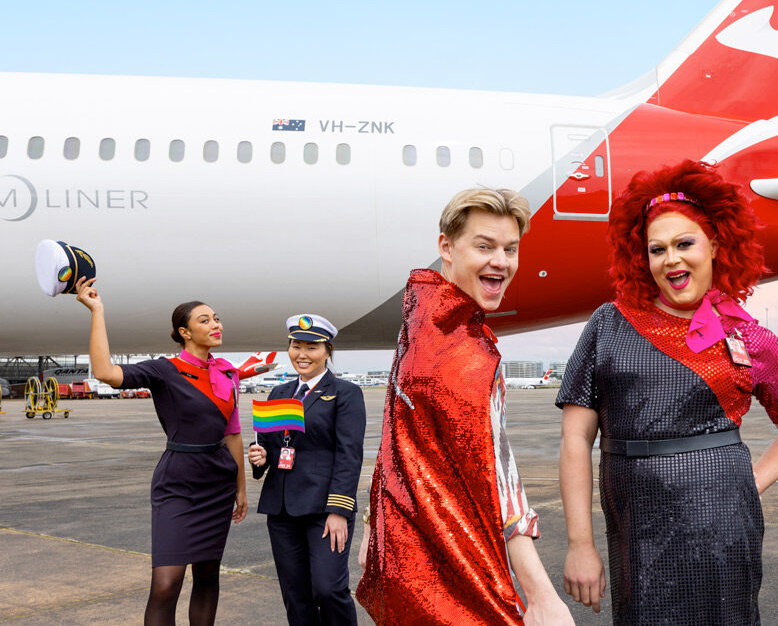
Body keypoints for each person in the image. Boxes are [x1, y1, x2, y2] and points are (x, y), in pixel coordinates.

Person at [557, 161, 778, 625]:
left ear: (715, 245)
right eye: (657, 249)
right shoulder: (609, 323)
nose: (671, 259)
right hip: (636, 529)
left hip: (724, 526)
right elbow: (576, 440)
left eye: (684, 244)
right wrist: (580, 544)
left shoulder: (750, 338)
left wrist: (749, 486)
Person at [355, 187, 573, 625]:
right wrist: (541, 594)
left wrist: (372, 524)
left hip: (405, 554)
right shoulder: (465, 352)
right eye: (485, 246)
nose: (502, 261)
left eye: (510, 249)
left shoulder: (420, 323)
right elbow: (497, 476)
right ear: (446, 247)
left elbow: (395, 438)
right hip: (452, 570)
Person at [75, 278, 246, 626]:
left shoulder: (228, 373)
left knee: (208, 576)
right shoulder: (164, 370)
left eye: (216, 318)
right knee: (166, 584)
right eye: (205, 320)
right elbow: (106, 373)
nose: (216, 325)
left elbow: (233, 435)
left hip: (219, 482)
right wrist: (97, 311)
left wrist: (242, 489)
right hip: (178, 484)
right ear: (184, 332)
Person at [248, 314, 365, 625]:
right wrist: (260, 459)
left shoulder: (345, 393)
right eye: (296, 346)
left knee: (329, 589)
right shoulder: (279, 393)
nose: (302, 354)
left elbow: (349, 455)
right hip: (283, 509)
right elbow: (275, 448)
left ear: (327, 351)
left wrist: (339, 510)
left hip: (324, 510)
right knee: (295, 593)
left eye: (311, 347)